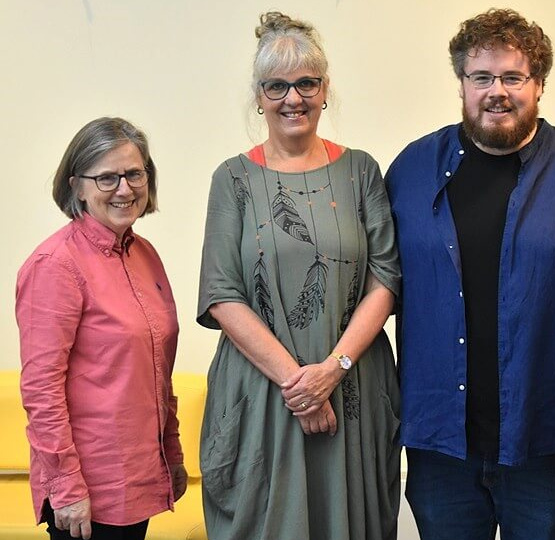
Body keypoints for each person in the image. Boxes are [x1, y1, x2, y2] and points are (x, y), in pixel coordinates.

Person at [385, 8, 555, 540]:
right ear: (461, 84)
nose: (496, 91)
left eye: (512, 77)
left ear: (539, 84)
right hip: (439, 444)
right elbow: (378, 286)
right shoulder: (410, 171)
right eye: (481, 77)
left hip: (545, 438)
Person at [197, 12, 400, 540]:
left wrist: (332, 369)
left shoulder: (361, 171)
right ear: (259, 96)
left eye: (307, 83)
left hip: (352, 388)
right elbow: (221, 294)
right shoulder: (232, 179)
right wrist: (299, 384)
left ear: (325, 89)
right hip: (265, 394)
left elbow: (385, 278)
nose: (294, 97)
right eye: (277, 86)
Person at [16, 117, 186, 540]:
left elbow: (157, 369)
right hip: (88, 490)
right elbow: (41, 388)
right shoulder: (55, 265)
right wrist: (66, 487)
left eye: (134, 173)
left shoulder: (145, 255)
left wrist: (172, 452)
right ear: (77, 186)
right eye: (107, 177)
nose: (125, 189)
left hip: (139, 477)